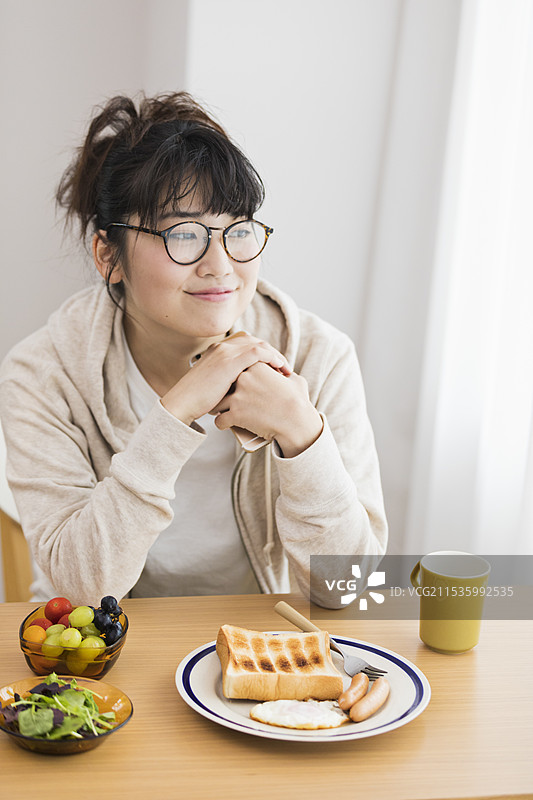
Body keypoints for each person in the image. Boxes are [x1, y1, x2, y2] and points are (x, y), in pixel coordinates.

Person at [0, 92, 387, 606]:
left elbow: (347, 590)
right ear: (108, 255)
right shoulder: (43, 374)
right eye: (184, 234)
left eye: (239, 229)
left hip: (258, 645)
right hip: (105, 656)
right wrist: (176, 413)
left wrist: (301, 432)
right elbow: (82, 590)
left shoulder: (317, 354)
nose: (221, 264)